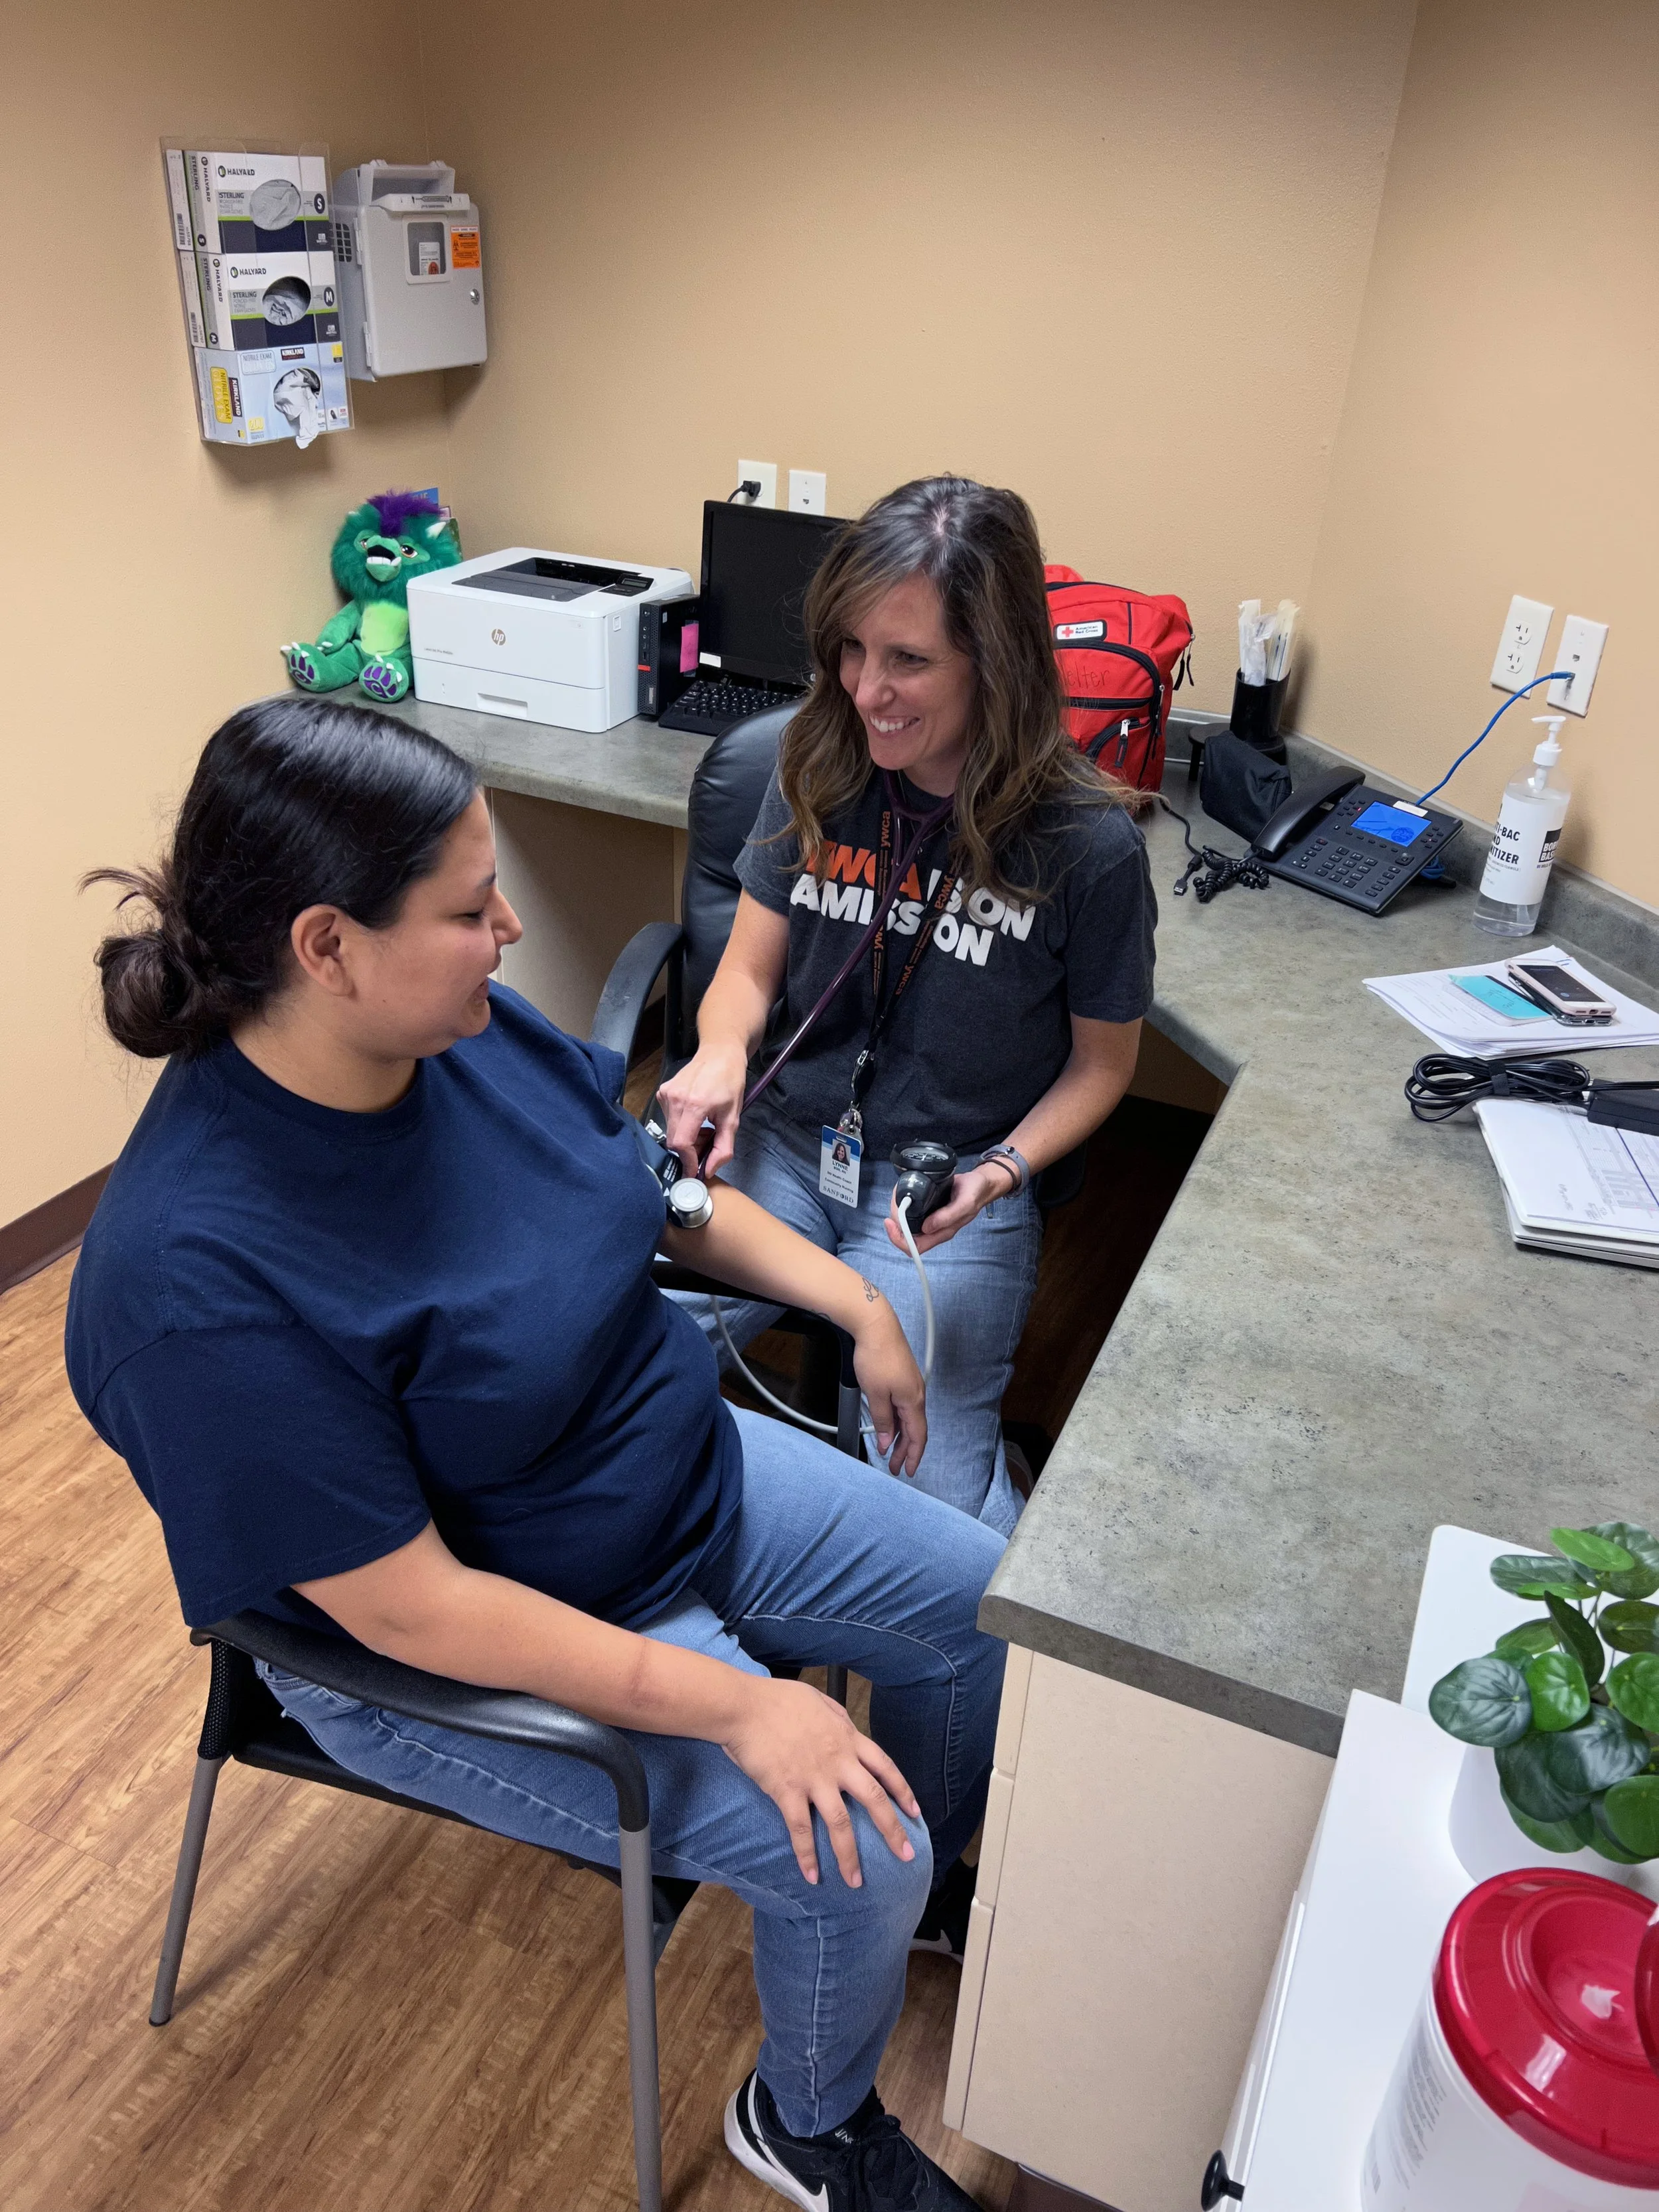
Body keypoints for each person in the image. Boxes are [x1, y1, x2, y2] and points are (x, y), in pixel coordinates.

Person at [64, 697, 1007, 2212]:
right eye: (465, 906)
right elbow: (413, 1611)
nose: (509, 929)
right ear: (325, 946)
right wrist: (744, 1710)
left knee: (982, 1612)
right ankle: (807, 2120)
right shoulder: (197, 1285)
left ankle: (903, 1904)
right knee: (860, 1844)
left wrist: (850, 1298)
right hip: (466, 1630)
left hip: (663, 1468)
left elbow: (647, 1186)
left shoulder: (454, 1031)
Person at [660, 477, 1157, 1532]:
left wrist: (1001, 1172)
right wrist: (717, 1057)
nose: (864, 689)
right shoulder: (818, 761)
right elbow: (746, 973)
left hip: (944, 1191)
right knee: (604, 1347)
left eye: (908, 661)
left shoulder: (1087, 844)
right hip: (789, 1146)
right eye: (850, 650)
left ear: (1000, 659)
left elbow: (1103, 1066)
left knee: (933, 1519)